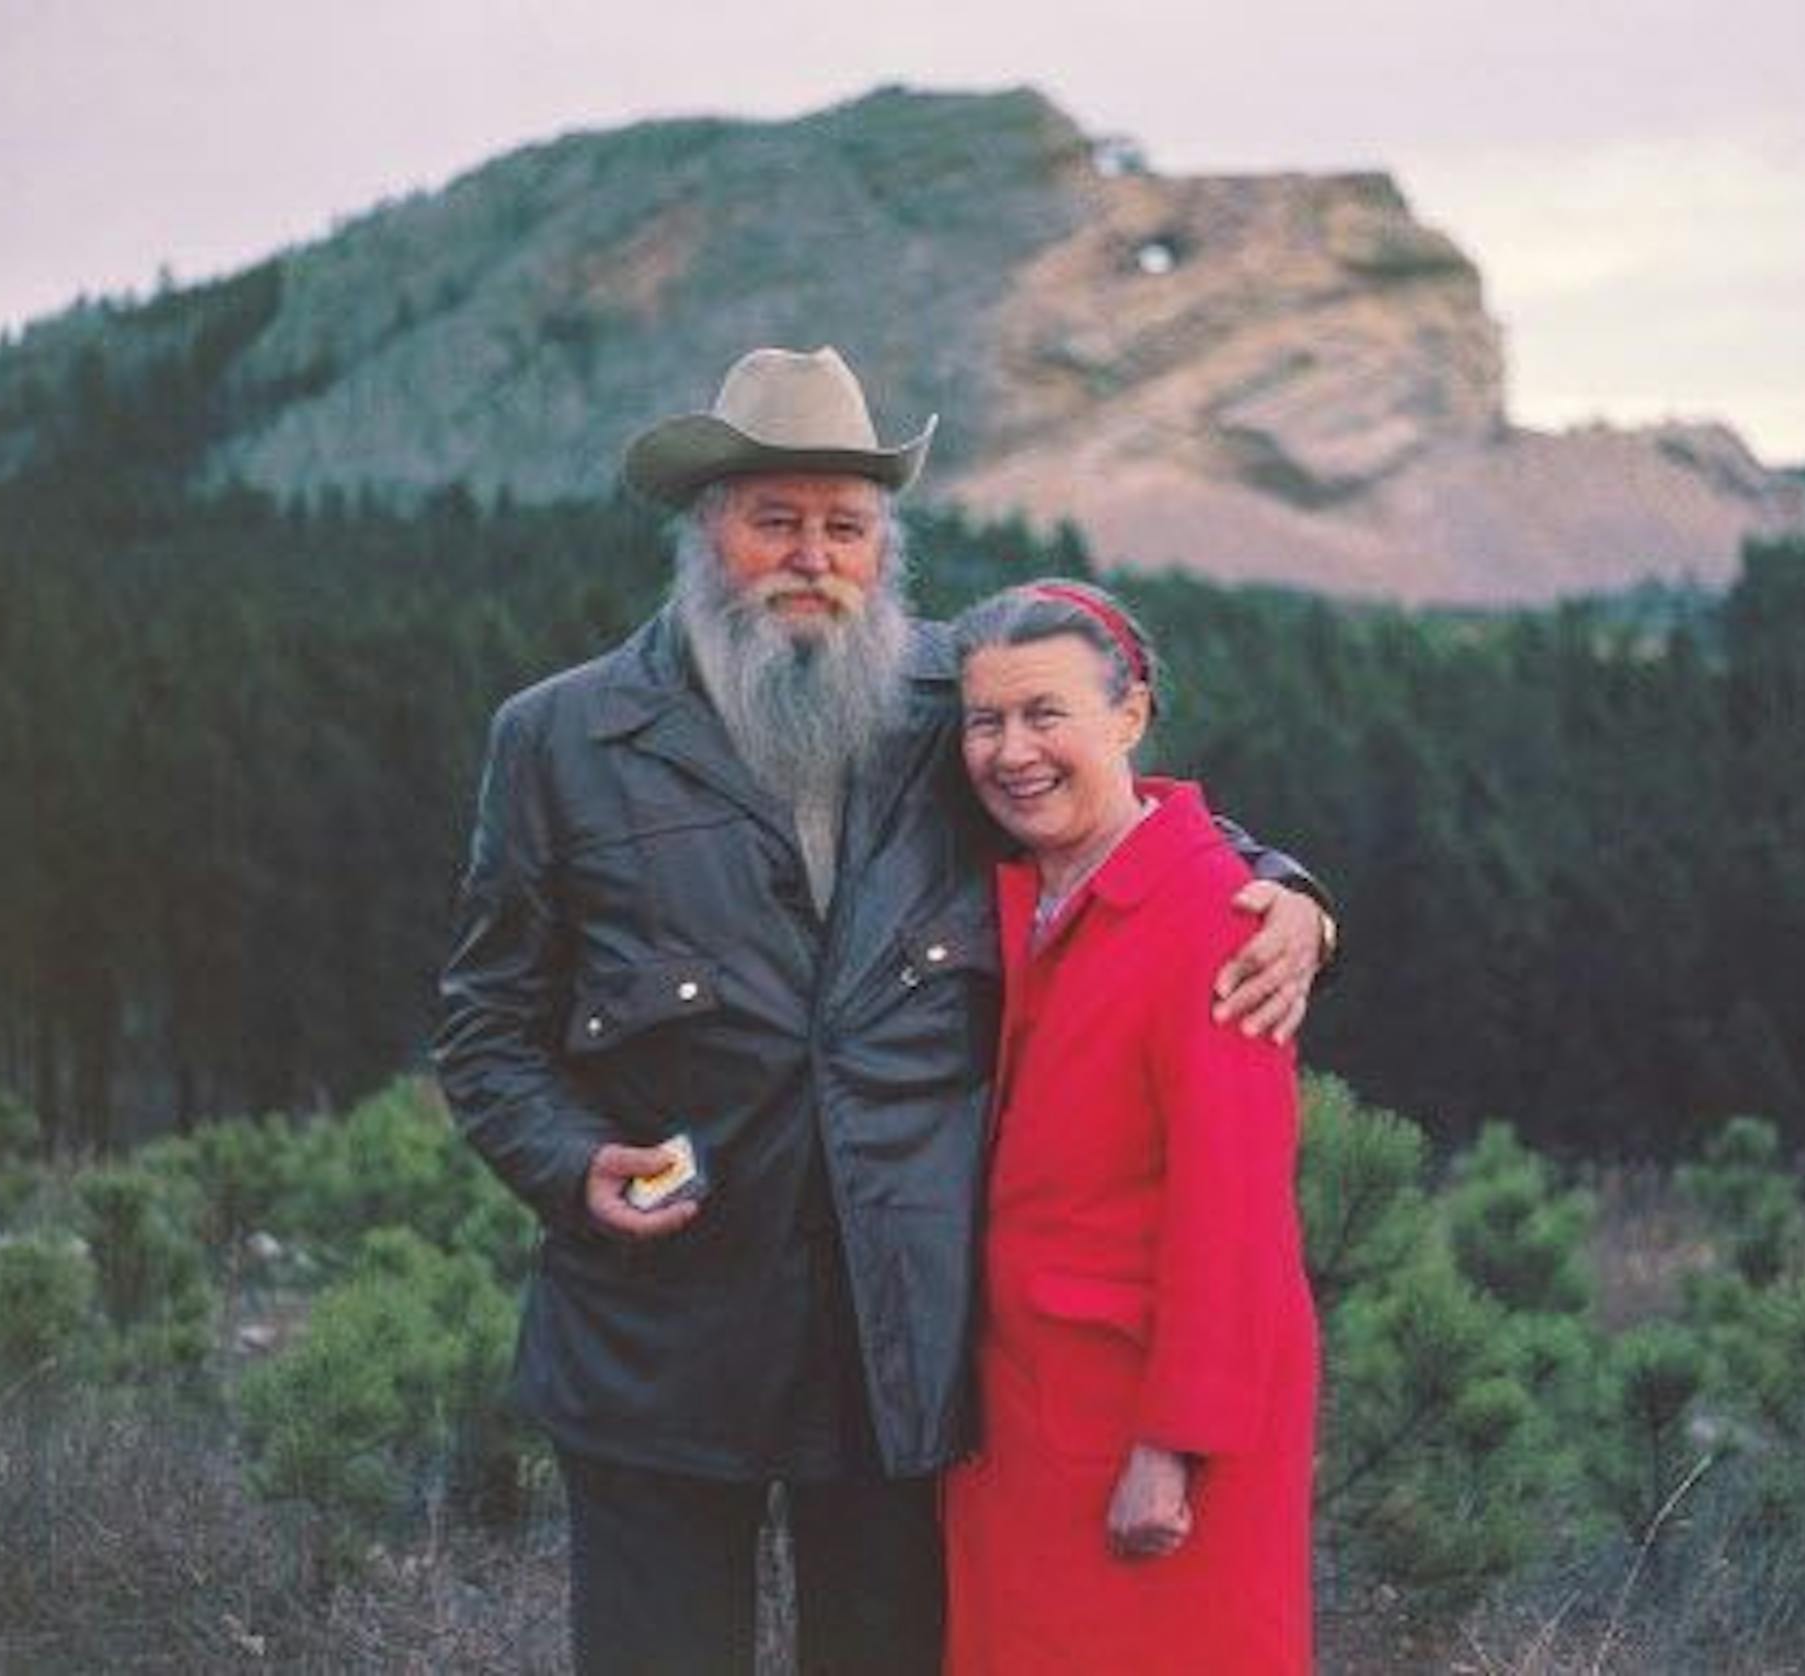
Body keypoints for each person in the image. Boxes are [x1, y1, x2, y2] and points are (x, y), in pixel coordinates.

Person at [433, 346, 1334, 1675]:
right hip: (656, 1344)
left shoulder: (946, 709)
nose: (813, 557)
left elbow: (1109, 805)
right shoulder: (560, 740)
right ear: (705, 532)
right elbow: (487, 1030)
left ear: (884, 548)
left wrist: (1285, 889)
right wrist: (572, 1167)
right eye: (775, 521)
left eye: (846, 527)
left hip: (900, 1350)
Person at [944, 581, 1320, 1674]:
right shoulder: (1026, 891)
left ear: (1131, 715)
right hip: (1028, 1415)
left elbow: (1236, 1210)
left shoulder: (1215, 915)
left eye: (1045, 712)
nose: (1013, 750)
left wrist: (1177, 1445)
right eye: (985, 720)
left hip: (1143, 1426)